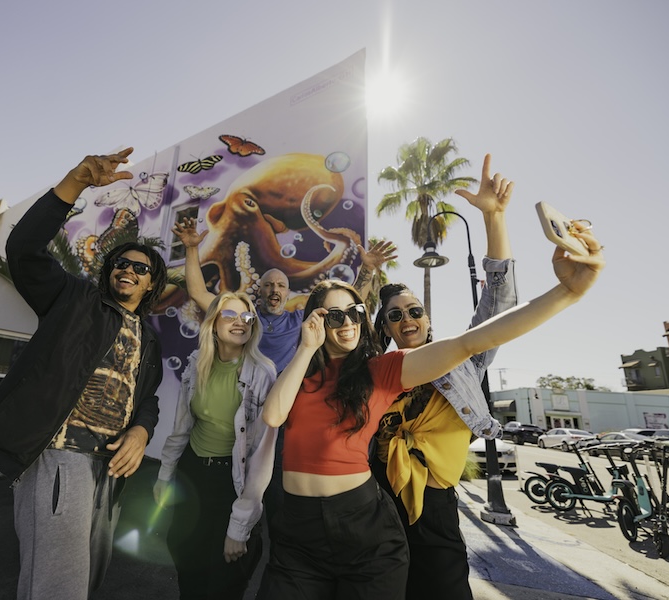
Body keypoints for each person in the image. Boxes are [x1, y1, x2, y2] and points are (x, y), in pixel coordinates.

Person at [256, 214, 605, 599]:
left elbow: (470, 343)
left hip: (364, 524)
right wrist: (306, 348)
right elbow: (273, 415)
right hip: (297, 530)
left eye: (356, 313)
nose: (348, 322)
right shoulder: (299, 372)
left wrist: (568, 293)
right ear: (315, 322)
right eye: (334, 315)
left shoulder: (381, 370)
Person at [0, 149, 168, 600]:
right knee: (58, 584)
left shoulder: (149, 338)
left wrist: (140, 432)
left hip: (109, 469)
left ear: (151, 282)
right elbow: (23, 250)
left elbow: (148, 398)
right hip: (61, 454)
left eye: (141, 267)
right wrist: (74, 183)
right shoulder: (72, 300)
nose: (128, 270)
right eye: (121, 263)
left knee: (85, 578)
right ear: (108, 272)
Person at [171, 218, 397, 527]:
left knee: (277, 489)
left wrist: (368, 269)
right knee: (235, 483)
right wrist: (192, 248)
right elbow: (198, 293)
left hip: (285, 415)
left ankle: (275, 539)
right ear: (259, 290)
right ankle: (233, 535)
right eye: (268, 285)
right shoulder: (246, 320)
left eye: (280, 285)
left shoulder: (299, 322)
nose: (274, 289)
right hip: (244, 414)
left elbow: (348, 303)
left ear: (288, 292)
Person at [371, 154, 515, 599]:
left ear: (427, 319)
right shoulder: (379, 374)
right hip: (377, 500)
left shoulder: (461, 359)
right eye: (396, 316)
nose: (407, 318)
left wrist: (493, 217)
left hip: (434, 505)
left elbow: (500, 302)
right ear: (387, 329)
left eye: (415, 311)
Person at [154, 292, 277, 600]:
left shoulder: (262, 373)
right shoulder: (197, 364)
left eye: (247, 317)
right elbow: (181, 428)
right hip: (192, 473)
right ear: (212, 324)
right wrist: (165, 476)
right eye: (230, 315)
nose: (240, 322)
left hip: (231, 483)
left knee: (224, 581)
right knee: (188, 567)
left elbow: (261, 455)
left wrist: (240, 526)